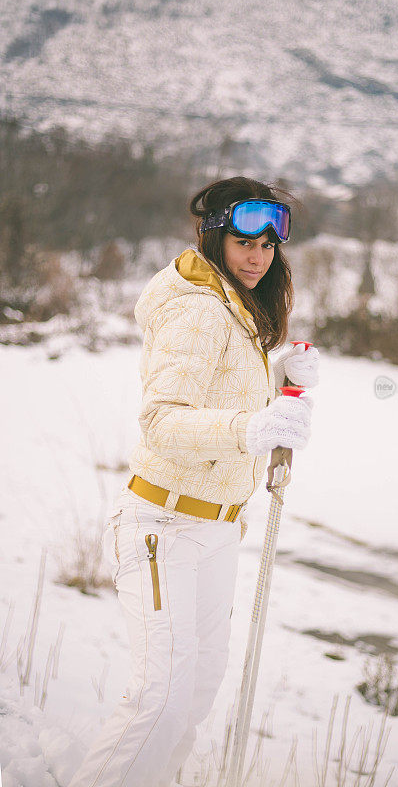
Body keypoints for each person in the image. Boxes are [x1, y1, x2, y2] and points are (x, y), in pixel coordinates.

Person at [67, 176, 320, 787]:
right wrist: (255, 427)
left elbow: (217, 388)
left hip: (216, 531)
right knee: (161, 700)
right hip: (164, 527)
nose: (258, 257)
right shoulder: (196, 307)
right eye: (243, 243)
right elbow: (162, 421)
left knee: (195, 696)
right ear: (213, 237)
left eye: (267, 245)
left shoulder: (233, 300)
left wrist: (277, 373)